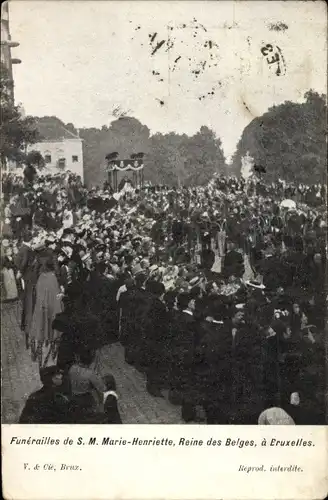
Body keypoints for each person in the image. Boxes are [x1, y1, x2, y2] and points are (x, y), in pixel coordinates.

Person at [29, 249, 63, 367]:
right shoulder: (52, 278)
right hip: (52, 311)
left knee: (40, 331)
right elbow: (56, 302)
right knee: (54, 332)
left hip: (40, 311)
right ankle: (51, 357)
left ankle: (39, 359)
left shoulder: (40, 277)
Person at [68, 347, 106, 421]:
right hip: (85, 398)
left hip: (73, 394)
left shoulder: (72, 368)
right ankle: (100, 408)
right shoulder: (90, 373)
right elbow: (102, 388)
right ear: (92, 360)